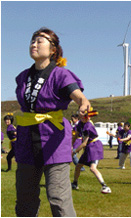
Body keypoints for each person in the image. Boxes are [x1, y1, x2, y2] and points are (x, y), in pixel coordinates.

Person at [14, 27, 91, 216]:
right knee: (25, 198)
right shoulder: (22, 77)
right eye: (32, 40)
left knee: (58, 197)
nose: (34, 44)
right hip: (26, 141)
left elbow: (80, 97)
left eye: (40, 41)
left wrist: (83, 105)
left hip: (54, 140)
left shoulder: (60, 74)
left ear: (53, 49)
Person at [71, 112, 111, 194]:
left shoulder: (88, 126)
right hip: (88, 147)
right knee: (78, 166)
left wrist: (74, 151)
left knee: (92, 168)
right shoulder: (80, 124)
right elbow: (76, 136)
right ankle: (75, 183)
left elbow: (84, 143)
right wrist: (70, 145)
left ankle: (105, 186)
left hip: (94, 146)